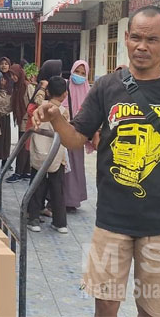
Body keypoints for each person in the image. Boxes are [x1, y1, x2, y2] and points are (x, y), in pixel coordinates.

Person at [33, 6, 160, 316]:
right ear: (126, 38)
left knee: (152, 309)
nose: (141, 46)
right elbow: (76, 139)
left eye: (152, 39)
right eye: (136, 38)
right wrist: (56, 117)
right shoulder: (107, 86)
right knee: (106, 305)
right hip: (112, 217)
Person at [27, 76, 70, 234]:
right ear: (65, 94)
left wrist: (42, 88)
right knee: (57, 189)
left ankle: (33, 219)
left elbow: (34, 102)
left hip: (39, 153)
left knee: (36, 185)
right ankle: (60, 223)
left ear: (48, 92)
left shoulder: (40, 107)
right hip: (56, 156)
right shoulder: (64, 112)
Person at [63, 60, 93, 212]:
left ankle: (73, 199)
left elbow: (92, 114)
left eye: (83, 73)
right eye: (77, 71)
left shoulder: (89, 92)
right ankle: (60, 199)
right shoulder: (65, 87)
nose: (79, 75)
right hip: (63, 134)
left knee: (75, 167)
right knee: (63, 168)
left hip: (78, 136)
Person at [9, 63, 29, 179]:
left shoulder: (27, 86)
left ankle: (19, 172)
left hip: (27, 120)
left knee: (22, 147)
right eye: (11, 75)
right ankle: (25, 172)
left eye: (14, 75)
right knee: (25, 146)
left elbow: (34, 103)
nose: (13, 77)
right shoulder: (16, 87)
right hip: (22, 120)